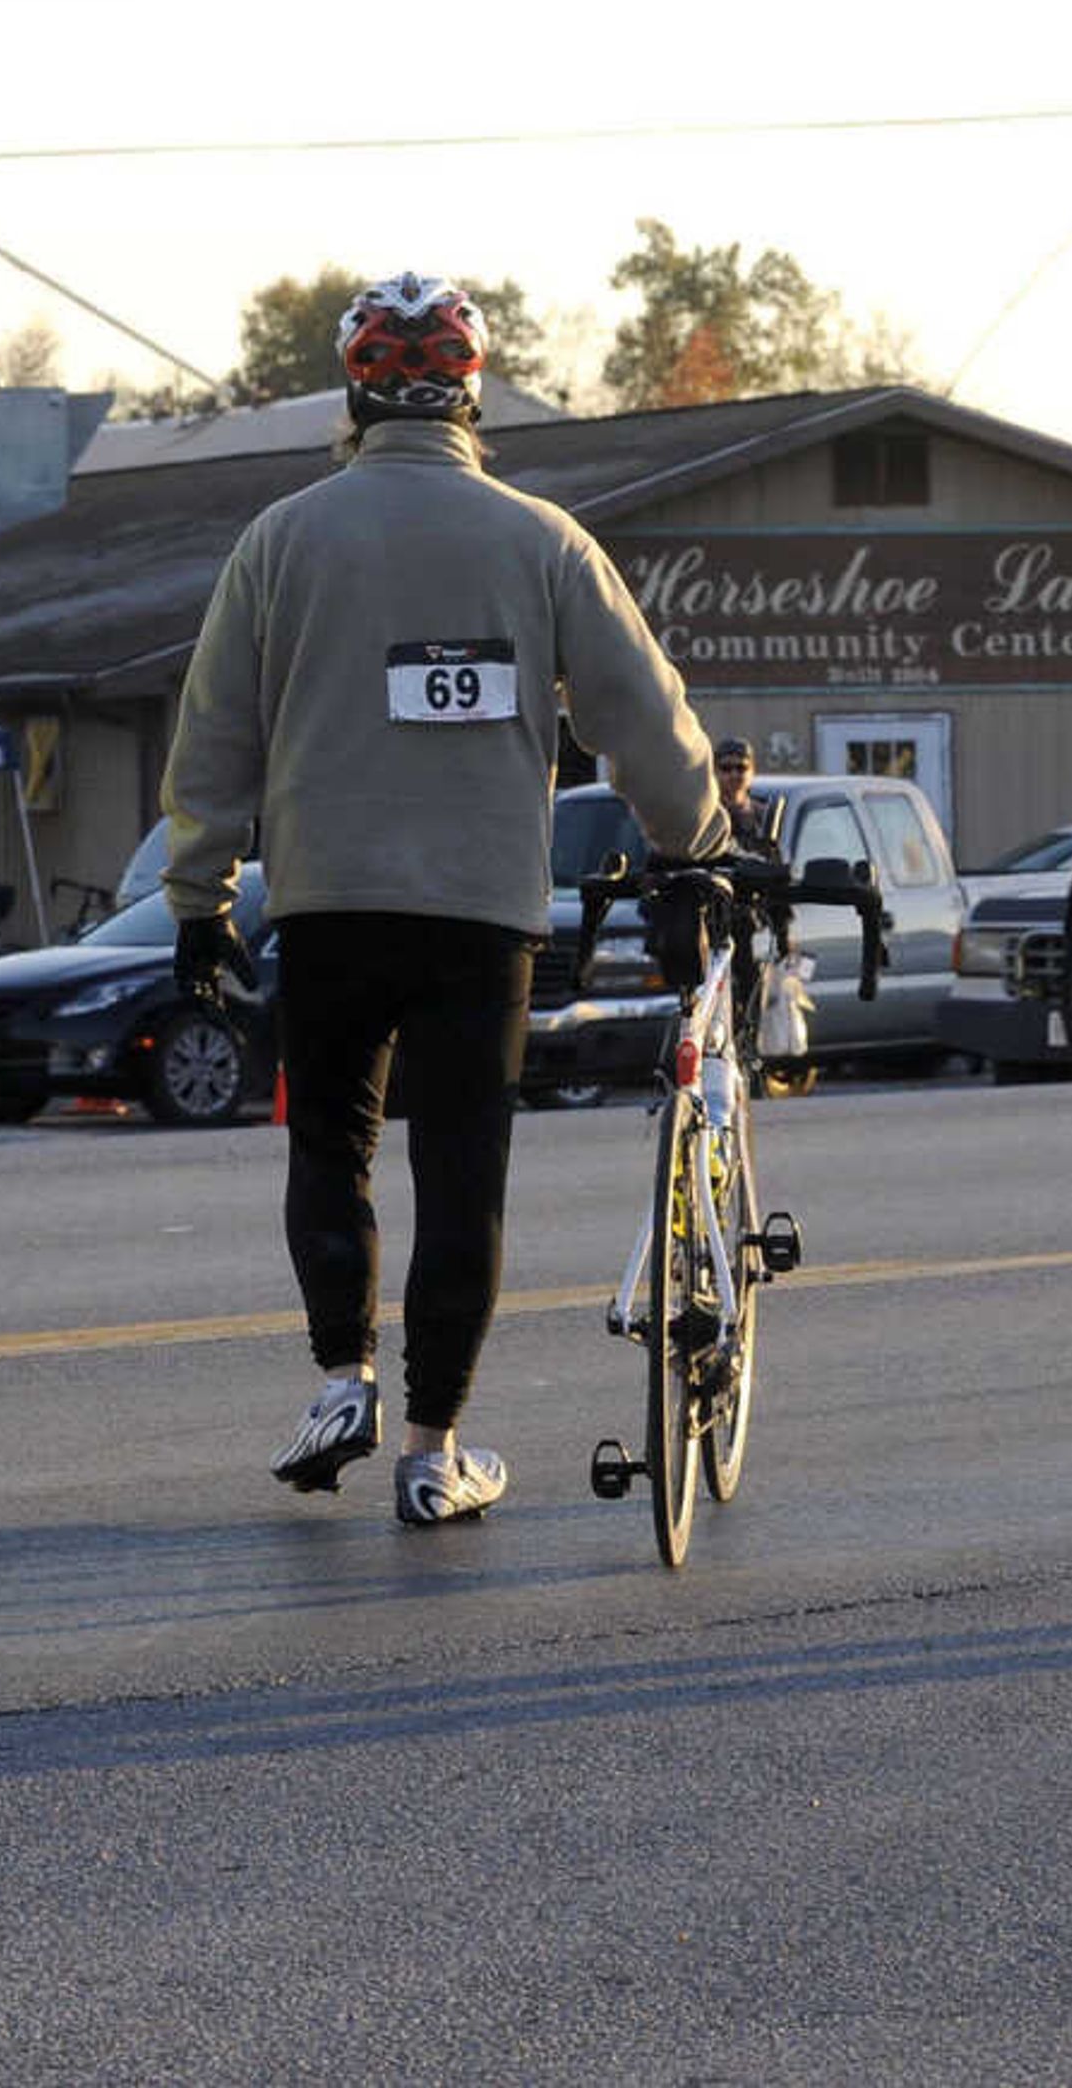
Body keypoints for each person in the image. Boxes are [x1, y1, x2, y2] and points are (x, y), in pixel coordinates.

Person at [160, 272, 724, 1528]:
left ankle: (340, 1375)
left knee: (334, 1146)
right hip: (480, 913)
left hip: (328, 903)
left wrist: (200, 891)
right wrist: (701, 835)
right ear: (473, 394)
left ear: (355, 395)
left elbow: (213, 735)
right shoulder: (541, 541)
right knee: (463, 1171)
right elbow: (639, 713)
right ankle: (433, 1449)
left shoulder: (282, 538)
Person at [712, 736, 781, 857]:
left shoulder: (767, 816)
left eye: (741, 768)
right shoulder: (707, 816)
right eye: (726, 768)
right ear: (714, 772)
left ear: (752, 771)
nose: (734, 774)